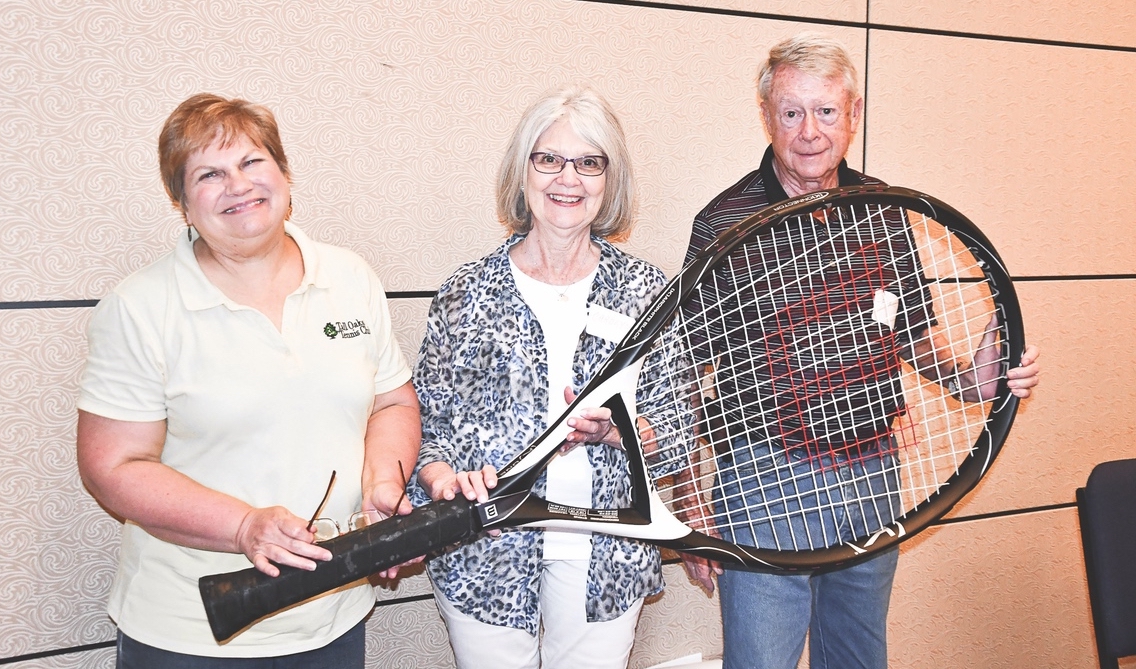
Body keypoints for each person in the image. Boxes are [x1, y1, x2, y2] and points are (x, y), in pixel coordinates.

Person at [678, 34, 1042, 669]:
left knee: (858, 658)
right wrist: (686, 502)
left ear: (854, 114)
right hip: (765, 477)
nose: (810, 131)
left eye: (826, 111)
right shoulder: (725, 223)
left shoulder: (885, 211)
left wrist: (981, 376)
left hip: (872, 473)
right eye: (792, 112)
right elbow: (681, 372)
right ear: (766, 116)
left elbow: (918, 343)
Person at [76, 93, 420, 668]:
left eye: (252, 162)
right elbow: (112, 469)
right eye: (210, 174)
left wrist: (382, 488)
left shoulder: (351, 276)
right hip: (196, 629)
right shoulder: (140, 307)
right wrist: (243, 527)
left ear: (284, 176)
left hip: (332, 613)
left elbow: (391, 404)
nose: (238, 185)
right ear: (182, 203)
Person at [408, 85, 666, 669]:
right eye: (548, 159)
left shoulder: (647, 292)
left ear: (610, 178)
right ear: (522, 171)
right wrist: (444, 477)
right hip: (486, 547)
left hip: (607, 548)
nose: (567, 178)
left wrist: (615, 431)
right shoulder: (467, 292)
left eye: (589, 162)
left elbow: (674, 427)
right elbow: (428, 421)